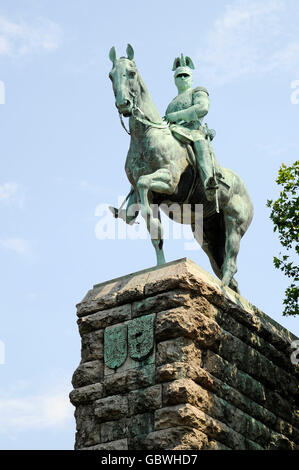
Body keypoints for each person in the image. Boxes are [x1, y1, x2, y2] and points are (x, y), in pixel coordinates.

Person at [165, 54, 221, 201]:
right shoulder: (170, 104)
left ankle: (209, 182)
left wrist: (176, 116)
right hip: (172, 133)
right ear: (175, 80)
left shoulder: (198, 91)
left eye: (185, 75)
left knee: (200, 143)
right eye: (179, 76)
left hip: (193, 131)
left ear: (191, 78)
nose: (183, 78)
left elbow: (202, 108)